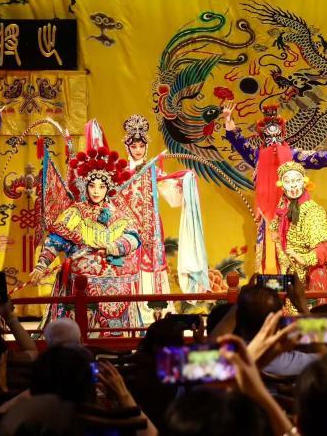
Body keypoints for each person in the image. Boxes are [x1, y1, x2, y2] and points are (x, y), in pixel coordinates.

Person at [222, 102, 327, 272]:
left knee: (291, 249)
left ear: (282, 134)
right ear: (262, 136)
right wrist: (228, 120)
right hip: (266, 212)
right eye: (268, 134)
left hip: (290, 210)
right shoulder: (257, 155)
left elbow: (313, 157)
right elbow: (239, 143)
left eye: (277, 134)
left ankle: (293, 278)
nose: (273, 142)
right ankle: (269, 282)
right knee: (268, 251)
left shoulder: (291, 154)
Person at [30, 139, 142, 333]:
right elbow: (56, 240)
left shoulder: (116, 212)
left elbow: (133, 237)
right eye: (92, 186)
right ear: (85, 186)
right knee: (81, 277)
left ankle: (117, 334)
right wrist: (42, 264)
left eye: (101, 186)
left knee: (123, 276)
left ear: (108, 188)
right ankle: (79, 333)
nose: (96, 191)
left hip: (113, 268)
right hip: (82, 269)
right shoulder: (76, 211)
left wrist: (113, 247)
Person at [120, 114, 209, 321]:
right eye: (134, 146)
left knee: (152, 264)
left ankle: (156, 311)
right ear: (127, 147)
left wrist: (185, 180)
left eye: (141, 146)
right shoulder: (121, 172)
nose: (138, 150)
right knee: (129, 263)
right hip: (127, 227)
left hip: (151, 226)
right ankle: (131, 311)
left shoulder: (153, 169)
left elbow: (171, 191)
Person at [270, 161, 327, 304]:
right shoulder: (284, 205)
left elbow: (325, 248)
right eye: (288, 181)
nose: (293, 185)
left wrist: (303, 259)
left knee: (308, 314)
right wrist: (274, 231)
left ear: (304, 182)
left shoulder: (312, 211)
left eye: (297, 180)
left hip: (308, 272)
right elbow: (276, 224)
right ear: (282, 185)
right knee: (264, 290)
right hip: (288, 269)